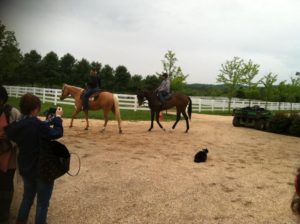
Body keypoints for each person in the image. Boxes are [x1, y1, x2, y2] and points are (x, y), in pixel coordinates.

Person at [5, 93, 64, 224]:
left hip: (26, 169)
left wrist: (47, 121)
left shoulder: (18, 125)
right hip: (42, 170)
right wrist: (58, 119)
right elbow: (57, 133)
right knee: (42, 204)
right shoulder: (38, 125)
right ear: (36, 108)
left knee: (27, 199)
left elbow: (28, 127)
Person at [0, 85, 21, 223]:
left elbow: (20, 136)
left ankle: (4, 213)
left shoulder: (12, 113)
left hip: (8, 157)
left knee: (6, 185)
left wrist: (7, 138)